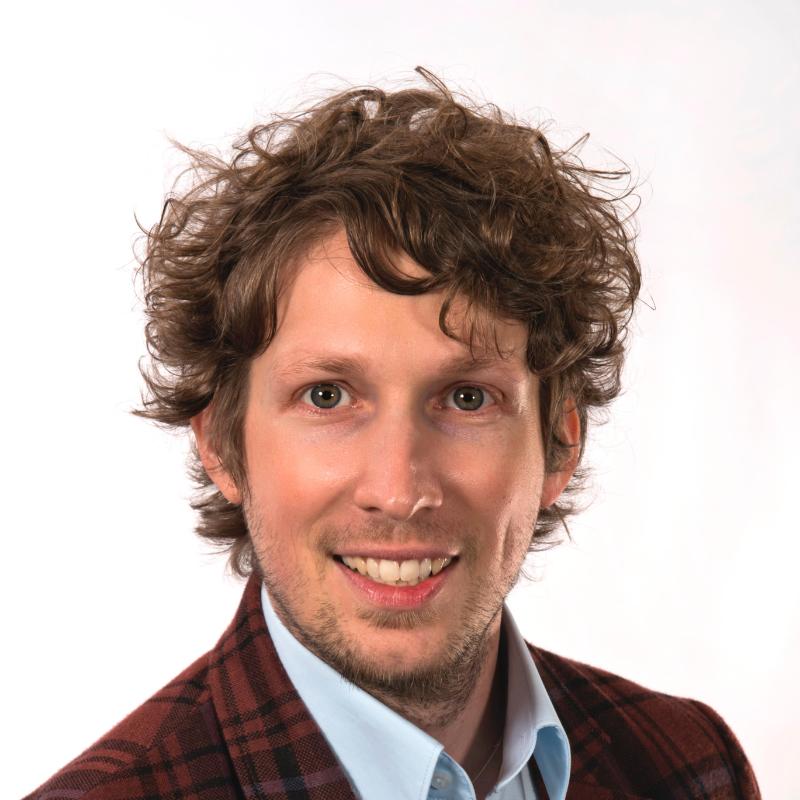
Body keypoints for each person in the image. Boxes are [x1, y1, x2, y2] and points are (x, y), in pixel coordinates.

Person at [25, 69, 761, 800]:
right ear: (221, 445)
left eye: (468, 399)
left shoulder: (691, 768)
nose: (399, 489)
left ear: (561, 446)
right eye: (327, 396)